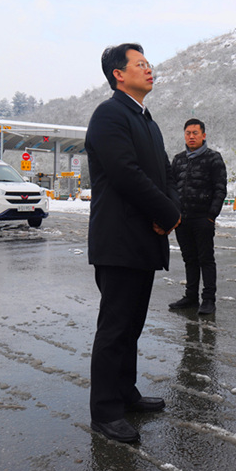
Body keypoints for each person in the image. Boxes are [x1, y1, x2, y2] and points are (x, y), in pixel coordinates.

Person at [85, 43, 181, 444]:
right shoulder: (109, 115)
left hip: (143, 239)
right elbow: (125, 174)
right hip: (119, 239)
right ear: (118, 74)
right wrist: (166, 213)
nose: (149, 69)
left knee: (132, 326)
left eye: (149, 63)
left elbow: (164, 171)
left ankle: (126, 393)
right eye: (140, 64)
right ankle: (105, 411)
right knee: (115, 327)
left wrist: (171, 207)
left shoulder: (146, 119)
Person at [168, 119, 228, 315]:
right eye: (188, 133)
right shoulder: (178, 160)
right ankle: (191, 296)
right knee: (189, 259)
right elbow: (171, 187)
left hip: (203, 218)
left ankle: (209, 299)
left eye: (195, 133)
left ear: (203, 135)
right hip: (182, 219)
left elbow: (220, 188)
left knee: (206, 259)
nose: (191, 136)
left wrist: (211, 215)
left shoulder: (213, 158)